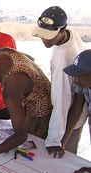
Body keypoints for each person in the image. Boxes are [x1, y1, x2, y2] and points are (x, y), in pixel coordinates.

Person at [32, 6, 88, 157]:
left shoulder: (63, 59)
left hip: (67, 122)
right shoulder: (71, 35)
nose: (44, 39)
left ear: (63, 29)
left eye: (49, 35)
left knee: (62, 161)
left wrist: (55, 140)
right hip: (75, 113)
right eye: (42, 34)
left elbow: (61, 101)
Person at [62, 49, 91, 173]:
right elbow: (76, 108)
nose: (76, 80)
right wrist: (63, 141)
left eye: (80, 75)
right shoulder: (83, 84)